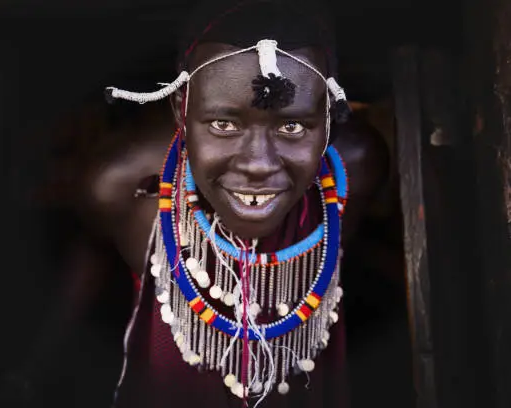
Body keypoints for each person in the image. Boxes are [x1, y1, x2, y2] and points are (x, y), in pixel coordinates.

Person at [73, 0, 389, 407]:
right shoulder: (119, 186)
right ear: (181, 110)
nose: (258, 164)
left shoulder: (355, 170)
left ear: (328, 121)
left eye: (292, 126)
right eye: (224, 124)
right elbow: (86, 268)